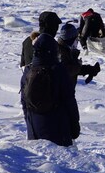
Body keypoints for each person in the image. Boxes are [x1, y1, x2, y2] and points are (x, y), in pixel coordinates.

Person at [21, 15, 75, 147]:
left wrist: (30, 125)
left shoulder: (28, 72)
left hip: (34, 129)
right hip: (58, 129)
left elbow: (24, 103)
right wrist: (74, 125)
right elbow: (69, 100)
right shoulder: (58, 70)